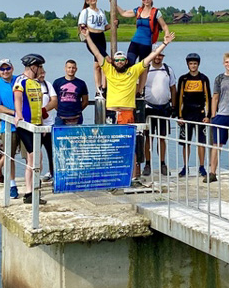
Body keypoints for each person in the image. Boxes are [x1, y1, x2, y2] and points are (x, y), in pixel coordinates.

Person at [83, 27, 176, 183]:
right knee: (111, 146)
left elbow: (149, 57)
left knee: (130, 146)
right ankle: (113, 176)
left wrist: (164, 44)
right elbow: (97, 53)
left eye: (122, 60)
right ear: (114, 62)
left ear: (126, 61)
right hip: (111, 114)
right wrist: (87, 38)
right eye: (117, 60)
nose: (119, 62)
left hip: (128, 113)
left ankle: (132, 176)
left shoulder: (133, 71)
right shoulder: (109, 70)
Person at [11, 53, 48, 204]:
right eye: (39, 67)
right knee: (33, 157)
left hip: (36, 124)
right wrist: (18, 115)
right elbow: (18, 97)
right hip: (25, 125)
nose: (41, 70)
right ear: (33, 67)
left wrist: (42, 124)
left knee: (36, 158)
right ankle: (29, 192)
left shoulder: (37, 83)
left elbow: (38, 105)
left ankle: (31, 191)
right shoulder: (21, 80)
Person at [140, 43, 176, 177]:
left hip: (164, 108)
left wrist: (174, 107)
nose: (158, 57)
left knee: (162, 138)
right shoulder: (145, 69)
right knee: (148, 138)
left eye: (161, 55)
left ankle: (162, 163)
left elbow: (173, 88)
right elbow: (139, 87)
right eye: (156, 54)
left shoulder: (168, 70)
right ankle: (147, 164)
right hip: (149, 108)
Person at [0, 58, 20, 196]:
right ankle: (12, 184)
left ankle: (34, 186)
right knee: (9, 155)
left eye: (8, 68)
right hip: (8, 126)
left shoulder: (20, 80)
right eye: (2, 69)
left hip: (26, 124)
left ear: (12, 68)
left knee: (32, 155)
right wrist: (14, 113)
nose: (5, 71)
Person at [176, 53, 211, 178]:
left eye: (195, 63)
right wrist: (179, 116)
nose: (193, 66)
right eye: (191, 63)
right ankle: (185, 167)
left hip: (200, 114)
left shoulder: (204, 79)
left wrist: (209, 116)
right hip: (186, 115)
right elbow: (179, 97)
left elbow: (208, 98)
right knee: (186, 143)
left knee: (201, 142)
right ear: (187, 65)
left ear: (198, 64)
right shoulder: (183, 79)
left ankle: (202, 167)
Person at [207, 52, 229, 183]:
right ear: (223, 63)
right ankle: (212, 172)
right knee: (216, 145)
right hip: (221, 114)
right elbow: (215, 97)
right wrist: (213, 115)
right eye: (227, 62)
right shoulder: (219, 78)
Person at [117, 0, 169, 65]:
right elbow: (124, 13)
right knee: (129, 65)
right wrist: (114, 3)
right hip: (135, 42)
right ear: (141, 0)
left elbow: (164, 26)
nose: (146, 0)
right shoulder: (138, 10)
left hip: (146, 44)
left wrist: (166, 35)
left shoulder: (156, 12)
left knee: (143, 67)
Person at [77, 0, 109, 94]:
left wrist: (114, 23)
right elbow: (82, 26)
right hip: (92, 37)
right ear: (86, 1)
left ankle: (101, 87)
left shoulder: (101, 12)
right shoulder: (85, 12)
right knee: (105, 60)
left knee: (97, 64)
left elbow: (105, 27)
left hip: (101, 37)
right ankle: (101, 88)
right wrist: (86, 34)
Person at [54, 59, 90, 126]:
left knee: (76, 136)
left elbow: (85, 101)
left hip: (77, 116)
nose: (71, 70)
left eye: (73, 68)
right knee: (59, 135)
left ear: (76, 69)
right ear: (65, 68)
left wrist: (77, 110)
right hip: (61, 116)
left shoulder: (81, 83)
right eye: (69, 68)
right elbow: (53, 99)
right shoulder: (57, 82)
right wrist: (60, 109)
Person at [38, 65, 58, 180]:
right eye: (40, 73)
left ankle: (52, 172)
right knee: (35, 153)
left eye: (43, 72)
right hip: (34, 125)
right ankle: (35, 177)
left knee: (51, 151)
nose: (42, 75)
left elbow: (54, 101)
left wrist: (44, 110)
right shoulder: (30, 85)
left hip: (48, 124)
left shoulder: (47, 85)